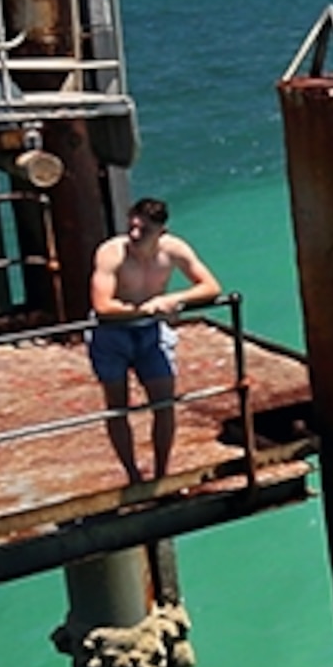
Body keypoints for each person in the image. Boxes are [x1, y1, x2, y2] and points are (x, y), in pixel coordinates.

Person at [88, 197, 221, 483]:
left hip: (151, 332)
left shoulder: (173, 250)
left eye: (144, 230)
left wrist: (171, 299)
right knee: (117, 406)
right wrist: (140, 310)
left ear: (161, 231)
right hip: (112, 334)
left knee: (163, 404)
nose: (135, 235)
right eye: (132, 227)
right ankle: (133, 475)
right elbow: (102, 304)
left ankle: (162, 473)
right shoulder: (111, 253)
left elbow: (211, 286)